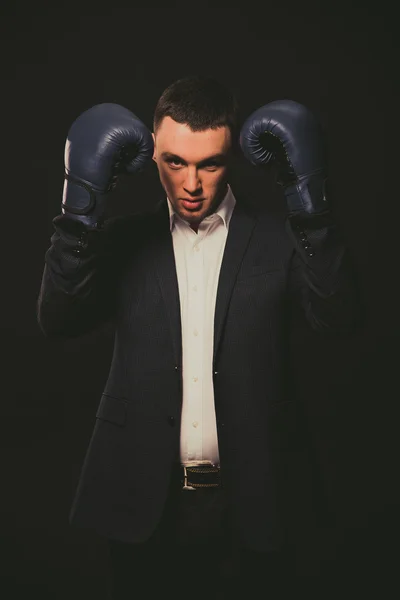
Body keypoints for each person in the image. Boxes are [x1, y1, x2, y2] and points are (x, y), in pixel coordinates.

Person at [37, 75, 359, 598]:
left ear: (233, 155)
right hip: (143, 500)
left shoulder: (282, 238)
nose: (191, 184)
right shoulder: (119, 242)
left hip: (257, 498)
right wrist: (78, 214)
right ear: (150, 154)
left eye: (209, 164)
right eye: (175, 163)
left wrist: (312, 205)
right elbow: (58, 320)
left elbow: (340, 320)